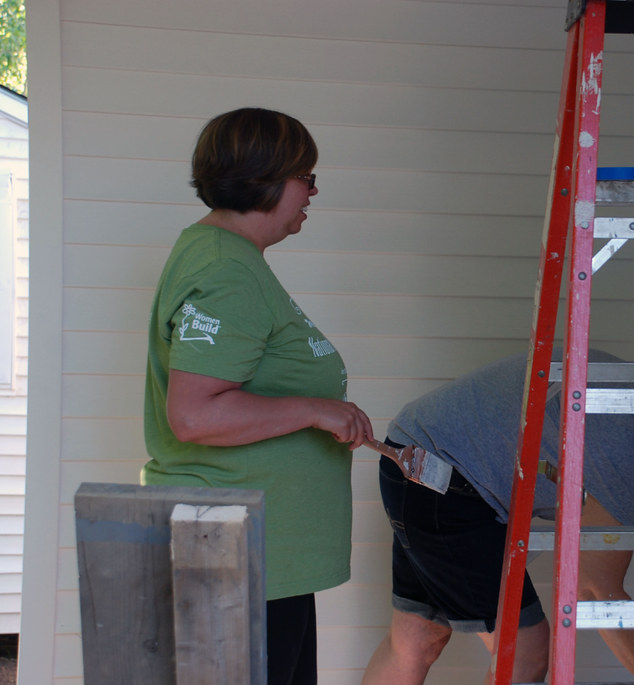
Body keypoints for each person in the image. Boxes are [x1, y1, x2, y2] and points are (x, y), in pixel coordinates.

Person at [142, 107, 374, 685]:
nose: (312, 192)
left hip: (263, 559)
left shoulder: (228, 258)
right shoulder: (226, 270)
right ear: (263, 177)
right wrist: (317, 409)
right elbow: (194, 414)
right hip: (237, 555)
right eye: (306, 177)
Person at [360, 349, 634, 684]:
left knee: (416, 637)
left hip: (414, 455)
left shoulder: (632, 401)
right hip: (443, 480)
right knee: (524, 652)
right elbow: (595, 592)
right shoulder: (627, 435)